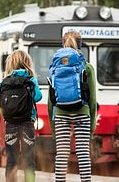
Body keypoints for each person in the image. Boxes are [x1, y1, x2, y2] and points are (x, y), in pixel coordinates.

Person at [48, 31, 97, 182]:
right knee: (83, 150)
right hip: (82, 111)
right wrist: (92, 125)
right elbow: (93, 99)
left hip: (61, 113)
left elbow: (51, 99)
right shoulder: (87, 67)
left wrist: (52, 124)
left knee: (62, 152)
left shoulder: (54, 67)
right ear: (80, 45)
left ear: (63, 44)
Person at [0, 50, 42, 182]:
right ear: (27, 63)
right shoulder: (31, 79)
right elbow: (38, 97)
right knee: (29, 159)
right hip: (27, 122)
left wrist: (7, 101)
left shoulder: (6, 80)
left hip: (10, 123)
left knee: (11, 159)